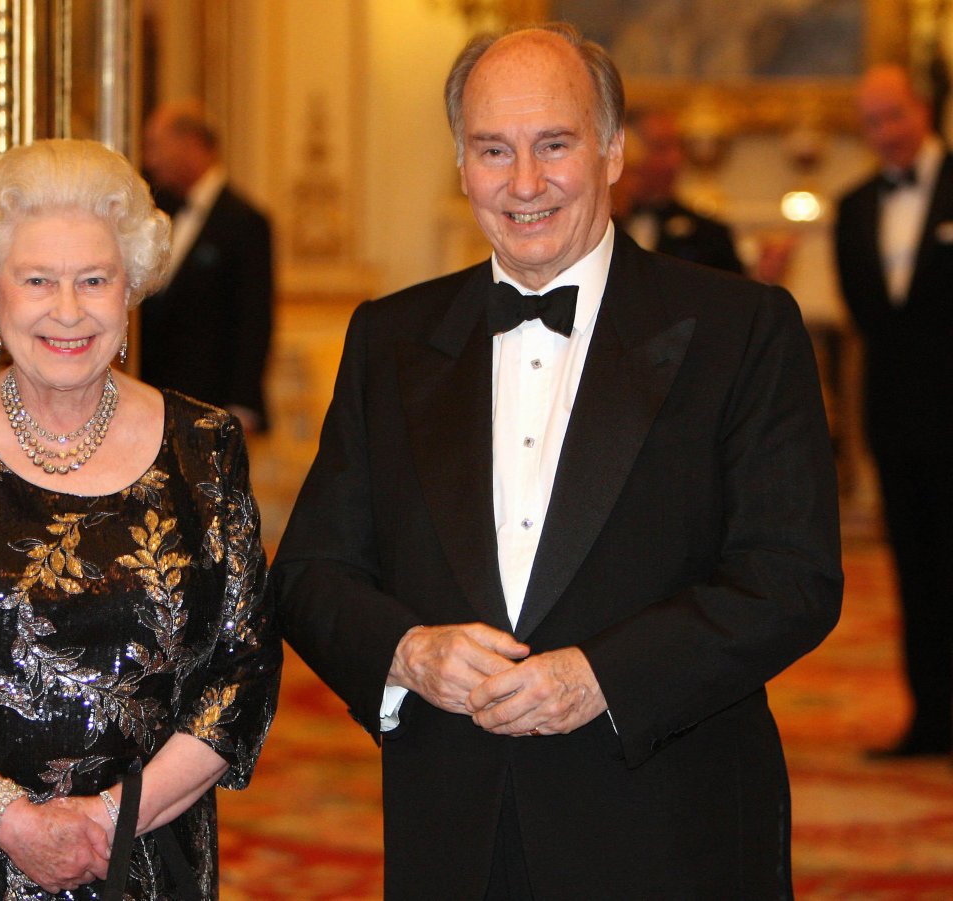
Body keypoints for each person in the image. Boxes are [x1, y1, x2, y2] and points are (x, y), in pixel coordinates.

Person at [273, 23, 842, 898]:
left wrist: (600, 676)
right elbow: (313, 574)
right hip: (454, 830)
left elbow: (792, 576)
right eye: (493, 149)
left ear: (613, 151)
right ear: (460, 164)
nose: (525, 183)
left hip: (668, 826)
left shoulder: (741, 329)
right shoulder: (389, 338)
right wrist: (408, 651)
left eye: (555, 145)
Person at [0, 139, 282, 900]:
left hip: (145, 863)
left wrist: (109, 820)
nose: (69, 310)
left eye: (94, 280)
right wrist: (11, 819)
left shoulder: (205, 447)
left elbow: (242, 674)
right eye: (38, 280)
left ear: (130, 289)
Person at [835, 64, 953, 758]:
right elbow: (866, 316)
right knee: (917, 573)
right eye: (872, 122)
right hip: (899, 422)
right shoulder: (853, 207)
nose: (886, 134)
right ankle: (931, 718)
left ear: (923, 110)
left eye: (895, 116)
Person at [139, 100, 274, 434]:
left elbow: (254, 319)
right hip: (152, 402)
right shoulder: (156, 212)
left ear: (191, 143)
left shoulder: (245, 222)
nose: (149, 159)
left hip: (211, 406)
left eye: (156, 145)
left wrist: (242, 407)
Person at [616, 108, 745, 274]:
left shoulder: (709, 235)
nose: (675, 160)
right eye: (661, 148)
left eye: (678, 147)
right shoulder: (599, 227)